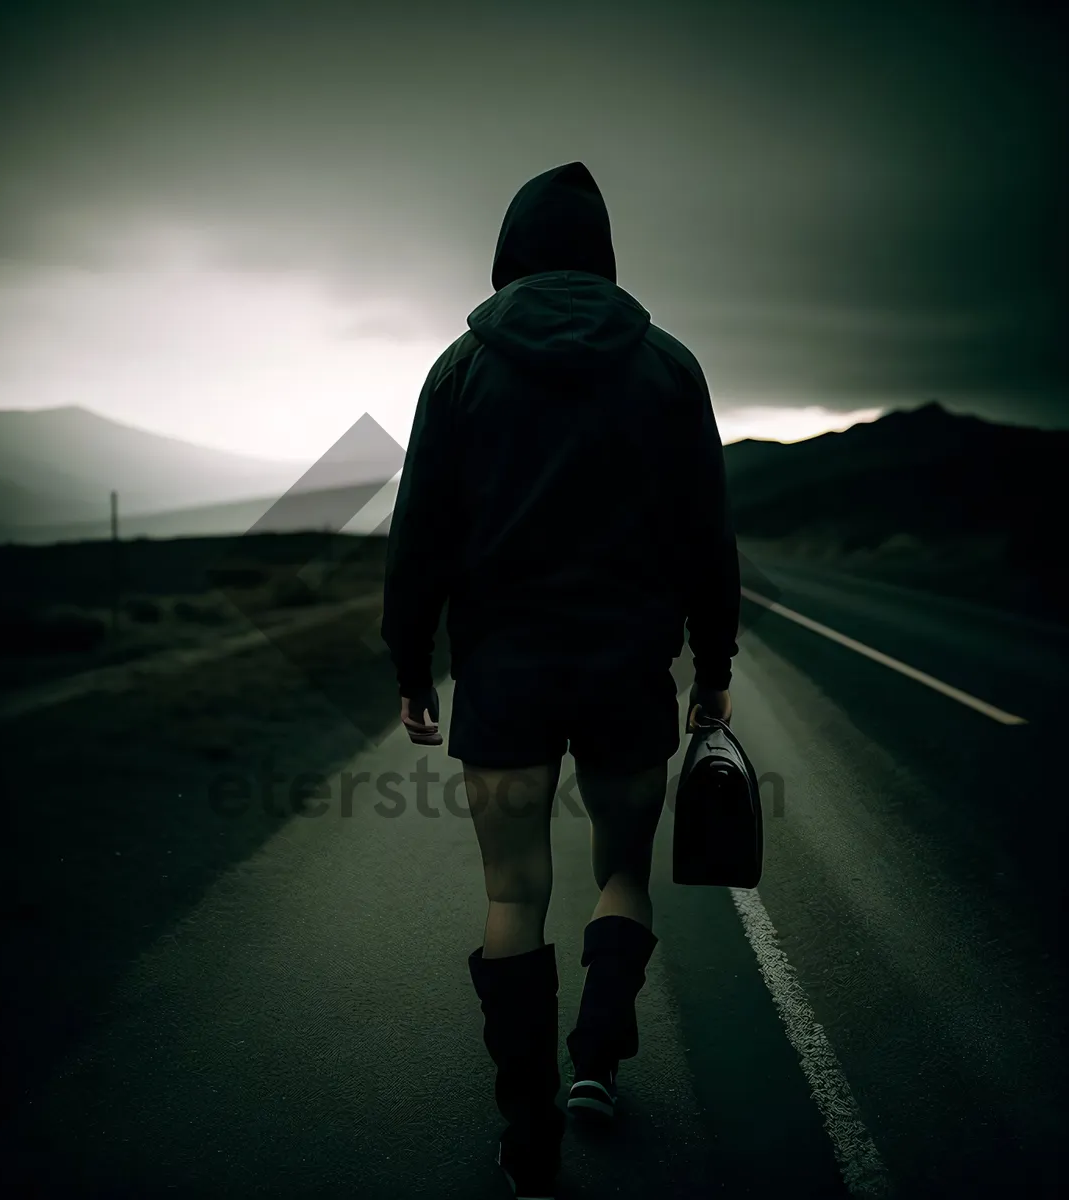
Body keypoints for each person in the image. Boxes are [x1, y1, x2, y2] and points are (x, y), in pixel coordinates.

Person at [381, 161, 740, 1199]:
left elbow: (419, 542)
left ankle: (527, 1137)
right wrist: (709, 668)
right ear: (603, 255)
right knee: (623, 872)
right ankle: (597, 1061)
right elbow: (708, 542)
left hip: (504, 674)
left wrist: (415, 664)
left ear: (509, 254)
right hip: (628, 666)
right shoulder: (671, 368)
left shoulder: (458, 371)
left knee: (512, 892)